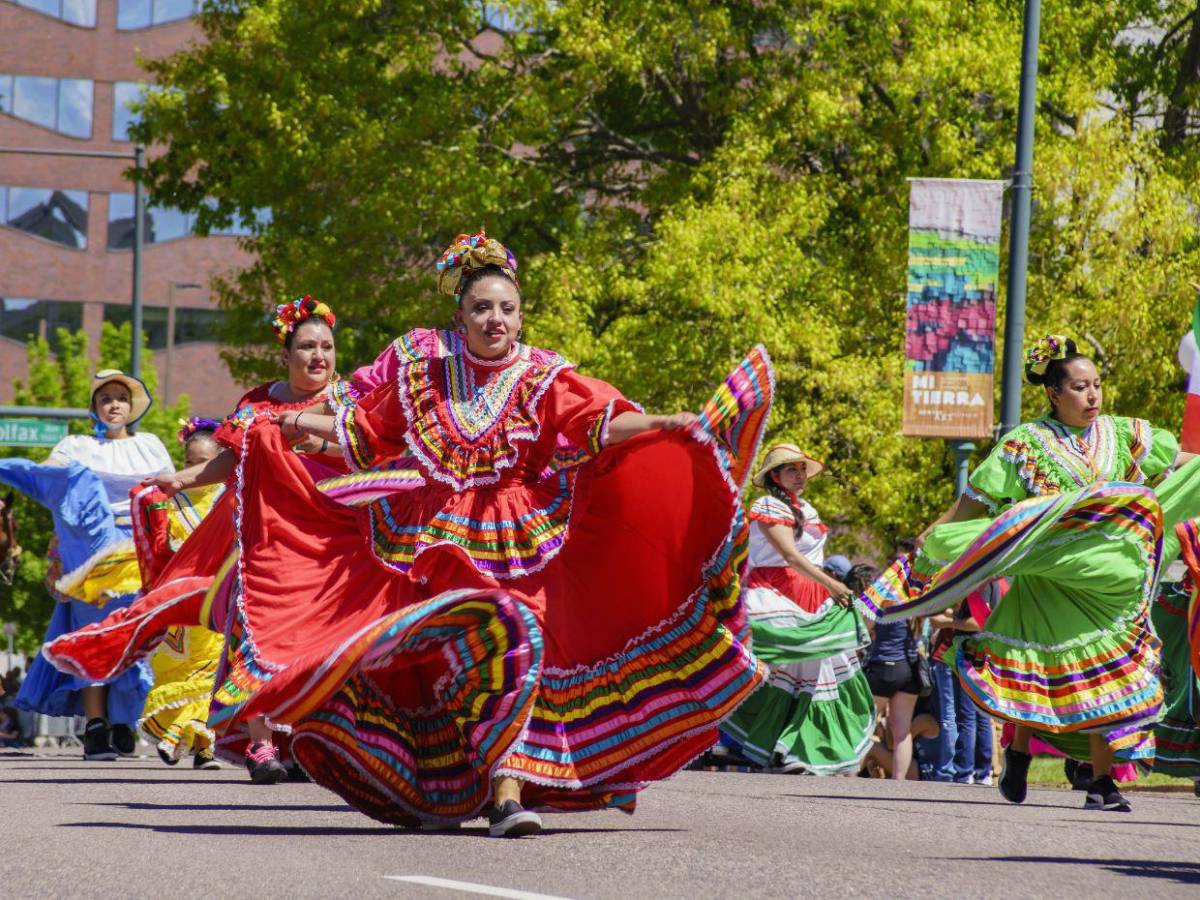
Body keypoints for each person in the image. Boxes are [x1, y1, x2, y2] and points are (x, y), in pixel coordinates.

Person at [104, 228, 770, 837]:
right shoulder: (426, 377)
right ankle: (454, 778)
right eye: (482, 308)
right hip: (435, 542)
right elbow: (364, 433)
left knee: (522, 642)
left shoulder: (543, 377)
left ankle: (508, 795)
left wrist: (667, 424)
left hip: (520, 539)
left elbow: (599, 422)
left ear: (521, 316)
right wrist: (298, 427)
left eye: (507, 309)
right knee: (441, 663)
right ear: (461, 317)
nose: (496, 320)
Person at [858, 335, 1200, 812]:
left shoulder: (1123, 434)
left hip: (1106, 583)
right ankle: (1020, 753)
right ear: (1054, 393)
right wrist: (930, 542)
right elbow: (973, 504)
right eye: (1081, 387)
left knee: (1103, 675)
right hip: (1049, 583)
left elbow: (1181, 462)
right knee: (1046, 675)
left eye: (1097, 385)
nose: (1093, 396)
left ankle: (1101, 782)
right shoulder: (1025, 445)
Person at [47, 296, 369, 784]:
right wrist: (182, 479)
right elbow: (231, 464)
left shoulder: (348, 402)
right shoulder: (258, 403)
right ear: (286, 354)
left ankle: (306, 741)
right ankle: (261, 744)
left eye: (326, 346)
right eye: (306, 346)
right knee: (253, 634)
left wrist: (314, 440)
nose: (318, 356)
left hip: (330, 541)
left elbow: (368, 456)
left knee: (318, 645)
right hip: (265, 538)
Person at [3, 370, 172, 760]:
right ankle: (96, 726)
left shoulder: (150, 446)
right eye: (105, 399)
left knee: (133, 636)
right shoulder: (76, 445)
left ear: (131, 407)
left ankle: (123, 720)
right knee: (93, 636)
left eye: (121, 398)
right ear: (95, 408)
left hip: (139, 554)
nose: (114, 404)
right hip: (89, 558)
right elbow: (50, 474)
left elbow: (169, 493)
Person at [720, 445, 874, 774]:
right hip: (775, 593)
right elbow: (790, 557)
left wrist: (827, 588)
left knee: (818, 673)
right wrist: (833, 584)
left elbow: (807, 560)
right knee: (768, 668)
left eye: (802, 469)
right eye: (791, 469)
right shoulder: (767, 505)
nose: (799, 475)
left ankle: (792, 748)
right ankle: (728, 734)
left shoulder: (807, 508)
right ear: (774, 476)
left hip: (809, 595)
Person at [134, 418, 229, 769]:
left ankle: (200, 745)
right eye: (190, 463)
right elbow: (159, 548)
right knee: (178, 672)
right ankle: (180, 735)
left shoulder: (231, 496)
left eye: (204, 463)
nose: (196, 469)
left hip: (221, 599)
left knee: (212, 671)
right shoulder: (172, 500)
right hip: (182, 603)